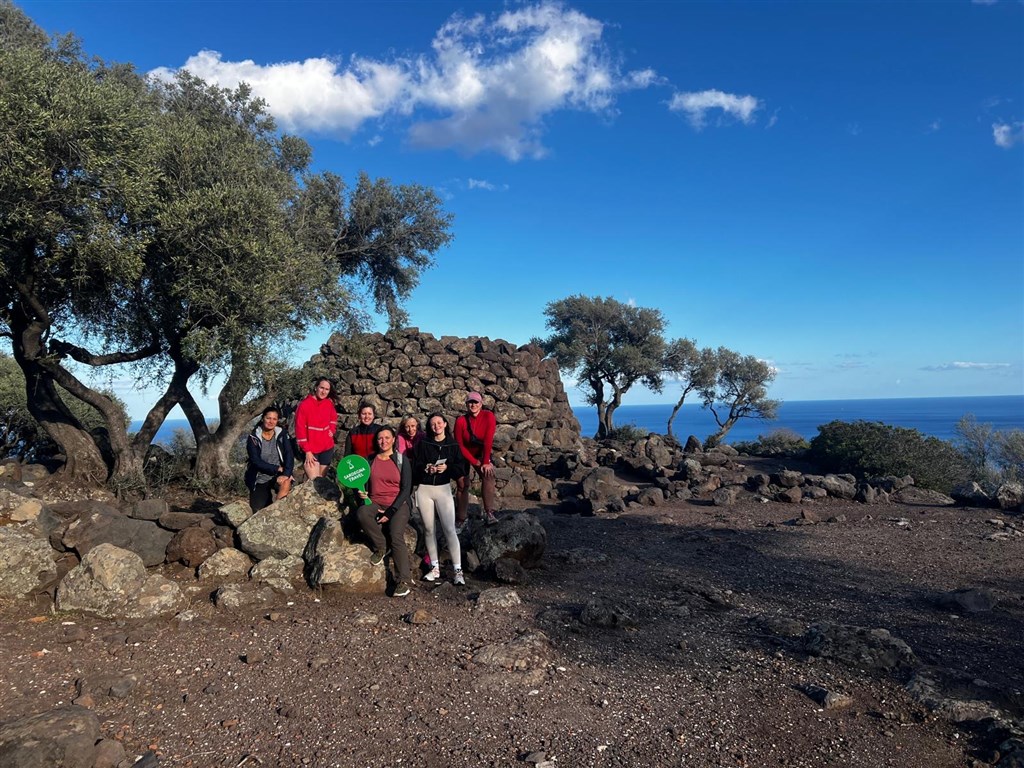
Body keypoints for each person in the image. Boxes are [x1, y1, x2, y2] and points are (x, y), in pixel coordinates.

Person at [356, 426, 414, 597]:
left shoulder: (402, 460)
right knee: (362, 513)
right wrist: (362, 495)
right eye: (380, 438)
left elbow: (406, 489)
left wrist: (390, 512)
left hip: (398, 504)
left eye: (387, 437)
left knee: (396, 534)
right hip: (375, 501)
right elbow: (363, 486)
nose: (383, 441)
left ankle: (403, 580)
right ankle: (381, 546)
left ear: (394, 439)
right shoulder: (369, 461)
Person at [411, 413, 467, 585]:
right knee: (429, 529)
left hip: (443, 489)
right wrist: (426, 467)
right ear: (430, 427)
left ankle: (458, 570)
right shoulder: (423, 443)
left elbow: (461, 467)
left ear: (444, 424)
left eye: (439, 423)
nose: (436, 426)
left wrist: (447, 468)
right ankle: (434, 567)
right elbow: (416, 465)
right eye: (433, 424)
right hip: (425, 489)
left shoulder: (452, 444)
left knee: (449, 529)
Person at [454, 391, 498, 529]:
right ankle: (461, 518)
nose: (473, 405)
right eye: (470, 402)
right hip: (464, 454)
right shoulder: (461, 421)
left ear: (481, 403)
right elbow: (459, 445)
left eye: (476, 402)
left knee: (488, 475)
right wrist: (474, 461)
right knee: (462, 484)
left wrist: (485, 462)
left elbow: (488, 440)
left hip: (480, 453)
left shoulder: (488, 416)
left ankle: (489, 512)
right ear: (466, 404)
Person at [244, 406, 294, 511]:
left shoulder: (282, 435)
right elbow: (255, 461)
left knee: (286, 482)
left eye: (274, 419)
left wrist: (286, 473)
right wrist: (276, 468)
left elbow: (289, 454)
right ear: (263, 418)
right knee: (258, 510)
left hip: (279, 475)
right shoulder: (253, 438)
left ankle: (278, 512)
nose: (271, 421)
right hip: (260, 477)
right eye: (268, 418)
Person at [294, 378, 337, 479]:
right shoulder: (304, 405)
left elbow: (333, 418)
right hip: (311, 449)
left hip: (327, 447)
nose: (324, 391)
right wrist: (307, 451)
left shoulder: (329, 403)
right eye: (321, 388)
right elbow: (299, 429)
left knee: (322, 481)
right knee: (314, 481)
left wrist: (332, 430)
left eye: (327, 389)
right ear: (316, 387)